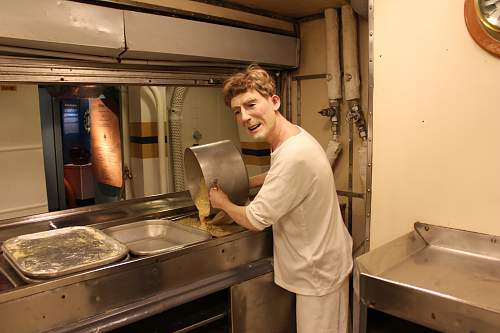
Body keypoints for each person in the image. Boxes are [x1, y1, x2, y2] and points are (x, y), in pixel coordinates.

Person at [209, 64, 353, 333]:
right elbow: (280, 175)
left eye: (251, 104)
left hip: (317, 272)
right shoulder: (291, 135)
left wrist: (222, 203)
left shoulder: (293, 155)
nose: (245, 117)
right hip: (325, 259)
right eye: (237, 111)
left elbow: (255, 219)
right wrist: (246, 181)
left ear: (274, 101)